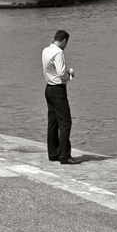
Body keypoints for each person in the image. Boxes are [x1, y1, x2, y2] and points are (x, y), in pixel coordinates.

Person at [42, 30, 79, 165]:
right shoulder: (58, 52)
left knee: (53, 122)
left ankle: (53, 153)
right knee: (65, 122)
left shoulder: (46, 50)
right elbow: (61, 73)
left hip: (48, 89)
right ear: (64, 40)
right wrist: (70, 75)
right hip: (58, 90)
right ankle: (65, 156)